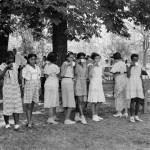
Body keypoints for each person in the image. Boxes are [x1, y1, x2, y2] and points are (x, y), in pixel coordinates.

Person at [0, 51, 23, 130]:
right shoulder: (2, 66)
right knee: (7, 105)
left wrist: (21, 69)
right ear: (6, 58)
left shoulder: (15, 66)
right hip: (7, 89)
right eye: (9, 58)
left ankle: (16, 124)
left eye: (12, 58)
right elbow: (0, 77)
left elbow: (19, 78)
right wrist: (6, 68)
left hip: (15, 88)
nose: (11, 59)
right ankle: (7, 124)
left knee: (16, 105)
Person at [87, 53, 110, 122]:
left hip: (99, 83)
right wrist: (94, 65)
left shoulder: (100, 66)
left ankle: (96, 114)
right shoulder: (90, 65)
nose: (98, 60)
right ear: (93, 59)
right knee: (94, 100)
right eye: (96, 58)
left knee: (100, 100)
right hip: (94, 83)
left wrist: (104, 77)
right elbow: (90, 74)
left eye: (99, 58)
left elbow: (101, 73)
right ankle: (93, 115)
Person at [22, 53, 41, 128]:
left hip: (36, 86)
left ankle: (30, 119)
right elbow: (22, 77)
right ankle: (29, 122)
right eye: (31, 59)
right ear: (28, 60)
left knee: (32, 104)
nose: (33, 61)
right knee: (28, 104)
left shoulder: (37, 67)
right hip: (29, 86)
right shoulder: (26, 67)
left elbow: (39, 78)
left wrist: (39, 88)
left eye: (34, 59)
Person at [126, 54, 144, 123]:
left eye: (137, 60)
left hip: (138, 83)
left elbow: (141, 76)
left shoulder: (140, 66)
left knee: (138, 99)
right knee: (132, 100)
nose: (135, 61)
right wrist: (130, 67)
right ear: (131, 60)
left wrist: (142, 85)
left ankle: (136, 116)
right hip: (132, 83)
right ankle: (131, 116)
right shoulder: (128, 65)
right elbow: (128, 76)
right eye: (134, 60)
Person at [110, 52, 128, 118]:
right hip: (125, 80)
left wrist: (103, 72)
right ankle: (126, 112)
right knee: (124, 95)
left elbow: (112, 73)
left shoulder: (116, 64)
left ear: (115, 59)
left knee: (118, 95)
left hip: (119, 80)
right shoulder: (124, 63)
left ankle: (119, 112)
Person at [44, 52, 60, 124]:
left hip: (48, 83)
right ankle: (50, 118)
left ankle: (53, 115)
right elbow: (59, 75)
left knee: (52, 100)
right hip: (53, 84)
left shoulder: (46, 66)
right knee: (52, 101)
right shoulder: (55, 67)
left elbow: (46, 76)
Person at [61, 52, 76, 125]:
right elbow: (61, 74)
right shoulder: (64, 64)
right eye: (70, 57)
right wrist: (67, 65)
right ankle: (67, 119)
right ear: (67, 57)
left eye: (72, 57)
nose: (71, 59)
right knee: (69, 99)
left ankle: (67, 117)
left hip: (70, 80)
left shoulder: (73, 65)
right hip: (66, 81)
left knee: (67, 99)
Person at [74, 52, 87, 124]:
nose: (82, 59)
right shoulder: (76, 64)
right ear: (78, 58)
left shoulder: (85, 65)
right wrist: (76, 64)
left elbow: (86, 73)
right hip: (78, 82)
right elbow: (75, 73)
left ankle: (77, 114)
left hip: (84, 83)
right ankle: (82, 116)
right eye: (80, 58)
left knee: (83, 101)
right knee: (79, 100)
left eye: (83, 58)